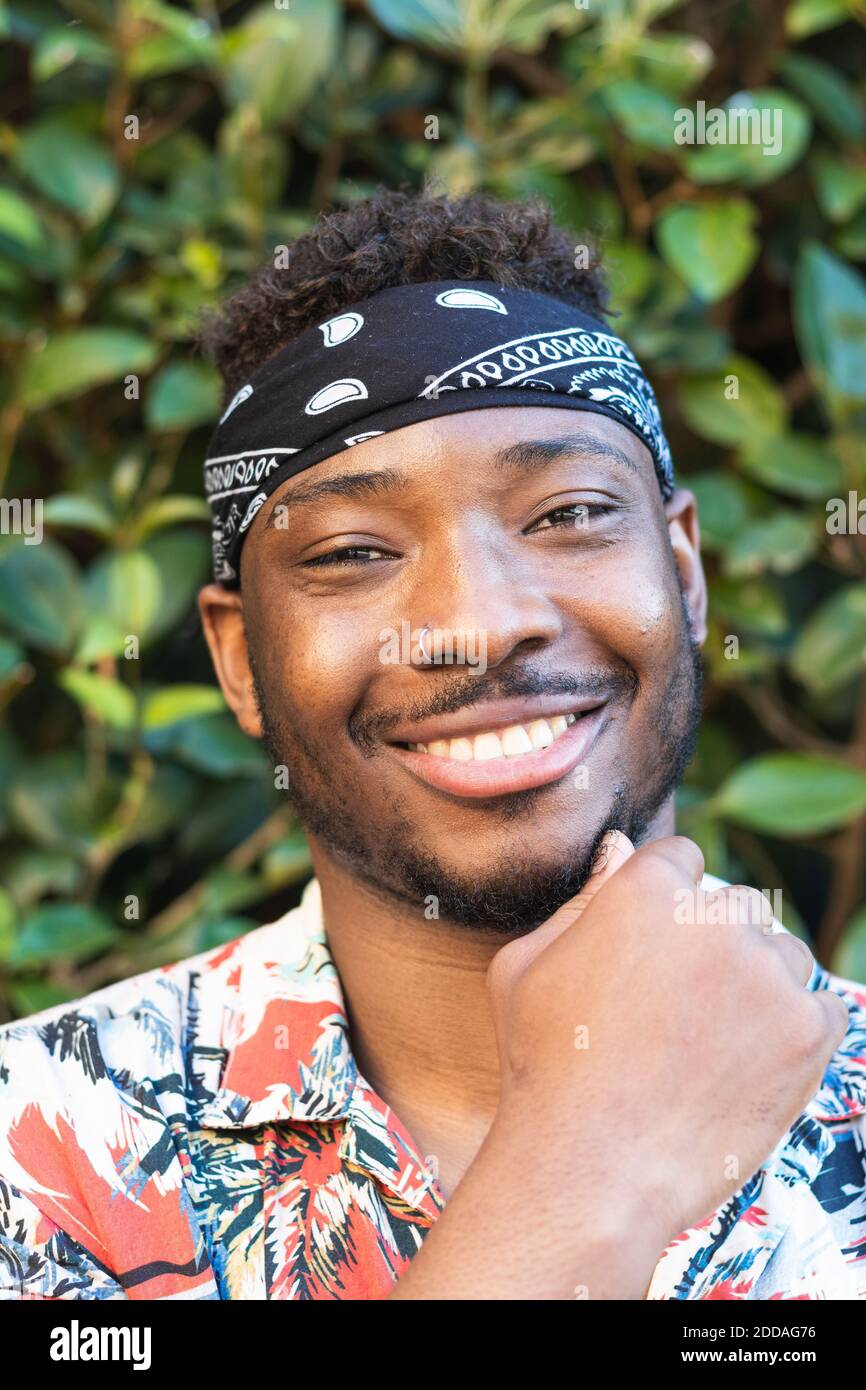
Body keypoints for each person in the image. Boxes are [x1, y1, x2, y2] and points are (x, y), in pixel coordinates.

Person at [1, 188, 864, 1302]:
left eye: (566, 515)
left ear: (684, 572)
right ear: (238, 659)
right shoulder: (44, 1149)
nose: (475, 623)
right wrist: (585, 1162)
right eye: (354, 551)